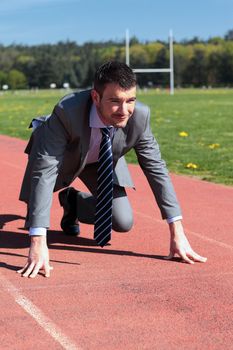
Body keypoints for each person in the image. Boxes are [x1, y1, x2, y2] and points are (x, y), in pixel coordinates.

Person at [17, 61, 207, 278]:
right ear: (96, 97)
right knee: (35, 209)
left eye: (130, 101)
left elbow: (156, 168)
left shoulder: (140, 117)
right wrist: (38, 239)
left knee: (122, 221)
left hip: (102, 158)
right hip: (62, 156)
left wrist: (177, 231)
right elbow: (45, 171)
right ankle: (43, 213)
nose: (124, 110)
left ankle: (74, 202)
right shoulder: (66, 111)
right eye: (115, 101)